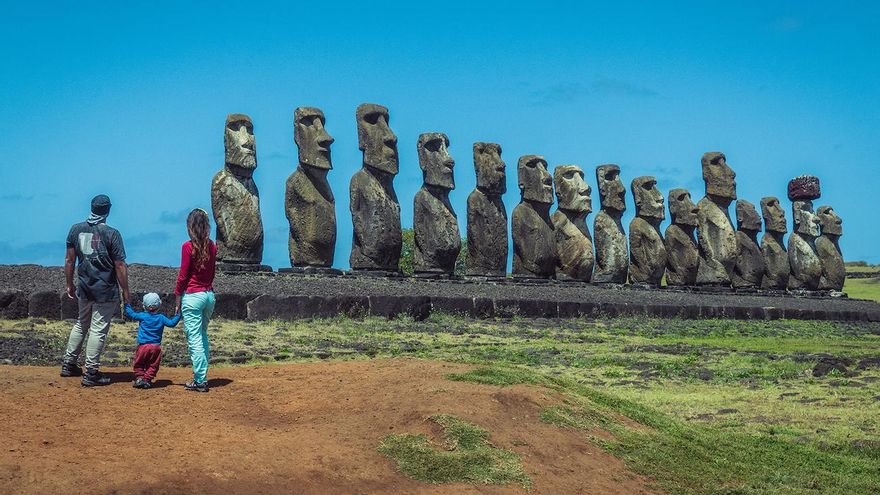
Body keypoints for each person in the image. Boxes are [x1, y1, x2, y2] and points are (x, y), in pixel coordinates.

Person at [61, 194, 131, 387]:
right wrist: (126, 291)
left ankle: (69, 363)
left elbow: (69, 260)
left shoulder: (76, 229)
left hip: (84, 286)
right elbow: (119, 265)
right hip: (105, 288)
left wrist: (69, 284)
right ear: (108, 210)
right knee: (98, 329)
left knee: (81, 323)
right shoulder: (112, 234)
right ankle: (91, 372)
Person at [174, 208, 217, 392]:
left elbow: (183, 276)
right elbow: (213, 271)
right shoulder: (212, 246)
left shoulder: (187, 247)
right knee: (202, 335)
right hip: (208, 295)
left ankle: (200, 379)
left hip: (193, 295)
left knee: (195, 338)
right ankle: (202, 375)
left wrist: (177, 296)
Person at [124, 293, 181, 389]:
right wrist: (178, 314)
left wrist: (127, 304)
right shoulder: (161, 318)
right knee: (153, 365)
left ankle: (140, 378)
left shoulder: (142, 316)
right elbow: (172, 323)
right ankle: (147, 380)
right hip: (156, 347)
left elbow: (131, 314)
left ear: (144, 306)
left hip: (143, 346)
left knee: (139, 363)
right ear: (160, 304)